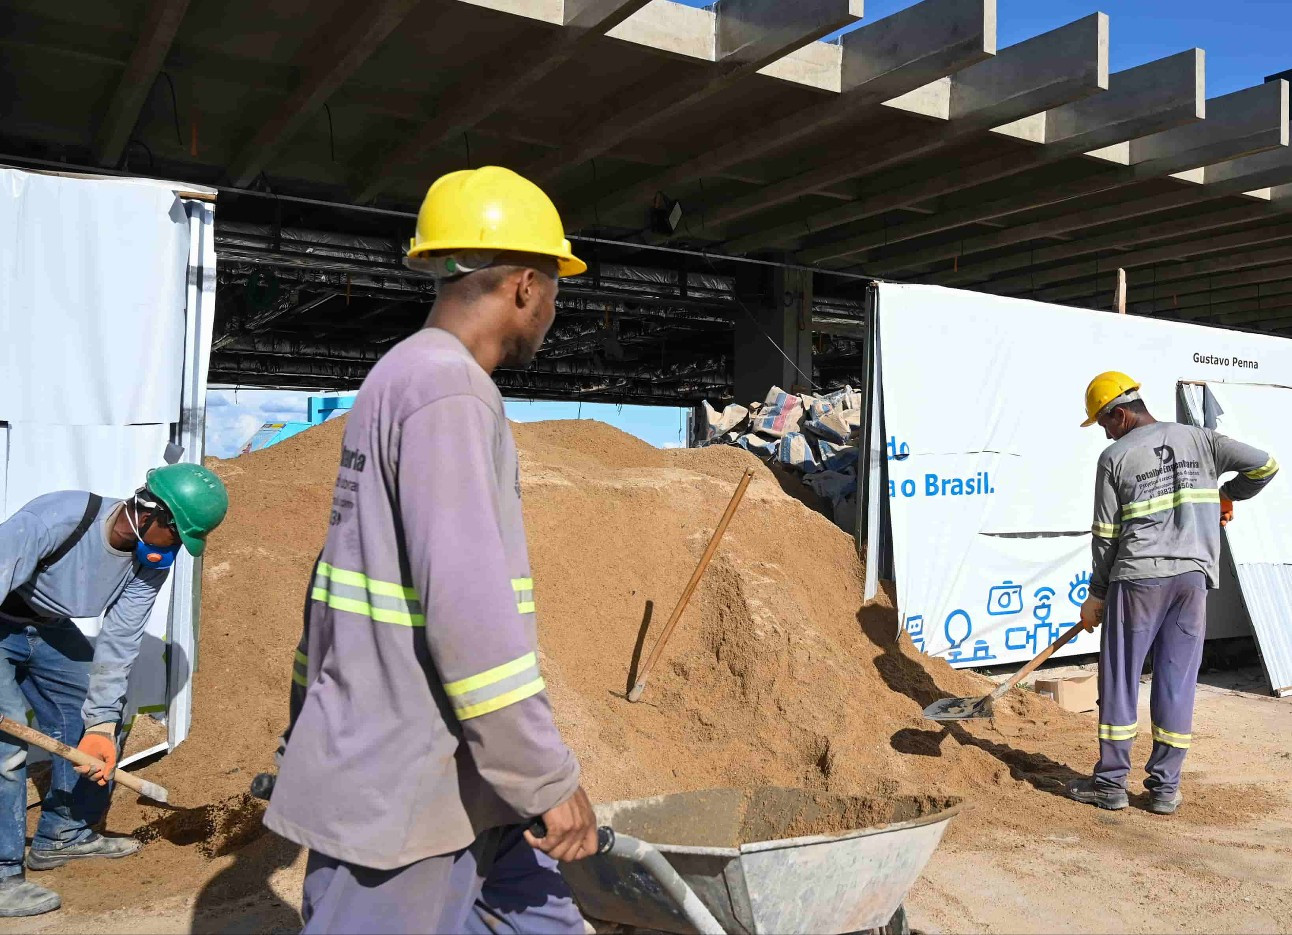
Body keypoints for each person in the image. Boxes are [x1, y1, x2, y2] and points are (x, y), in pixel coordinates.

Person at [263, 166, 598, 934]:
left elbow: (332, 581)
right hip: (406, 788)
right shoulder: (448, 392)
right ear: (522, 284)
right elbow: (470, 617)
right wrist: (547, 778)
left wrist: (305, 721)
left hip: (459, 781)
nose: (553, 308)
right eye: (554, 287)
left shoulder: (400, 376)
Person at [0, 463, 229, 916]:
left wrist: (100, 724)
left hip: (47, 628)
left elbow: (120, 638)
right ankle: (3, 875)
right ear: (152, 515)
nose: (181, 547)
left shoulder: (154, 559)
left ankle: (63, 835)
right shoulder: (58, 519)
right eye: (180, 534)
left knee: (103, 713)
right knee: (8, 747)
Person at [1065, 372, 1277, 815]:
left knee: (1120, 678)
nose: (1104, 432)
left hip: (1138, 579)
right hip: (1194, 580)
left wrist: (1097, 594)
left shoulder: (1115, 456)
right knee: (1176, 681)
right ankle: (1164, 789)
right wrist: (1225, 495)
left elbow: (1105, 535)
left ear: (1120, 414)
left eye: (1104, 422)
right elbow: (1265, 465)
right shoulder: (1203, 440)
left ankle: (1111, 785)